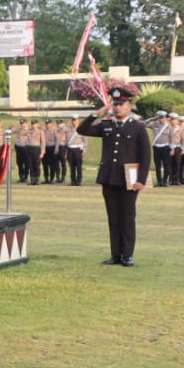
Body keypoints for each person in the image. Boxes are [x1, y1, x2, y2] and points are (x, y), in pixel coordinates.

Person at [76, 86, 151, 266]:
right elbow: (82, 130)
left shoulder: (138, 127)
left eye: (121, 104)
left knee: (127, 217)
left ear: (129, 105)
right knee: (113, 218)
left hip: (129, 179)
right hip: (109, 177)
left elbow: (145, 156)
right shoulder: (106, 125)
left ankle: (128, 254)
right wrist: (97, 114)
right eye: (115, 104)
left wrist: (141, 179)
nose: (118, 107)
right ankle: (115, 254)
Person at [66, 118, 87, 186]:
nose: (74, 122)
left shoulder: (82, 129)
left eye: (75, 120)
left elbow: (85, 141)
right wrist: (66, 152)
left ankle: (78, 180)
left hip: (78, 149)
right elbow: (67, 141)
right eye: (73, 120)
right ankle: (73, 180)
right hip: (70, 149)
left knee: (78, 166)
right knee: (72, 166)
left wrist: (84, 151)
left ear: (78, 121)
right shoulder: (69, 130)